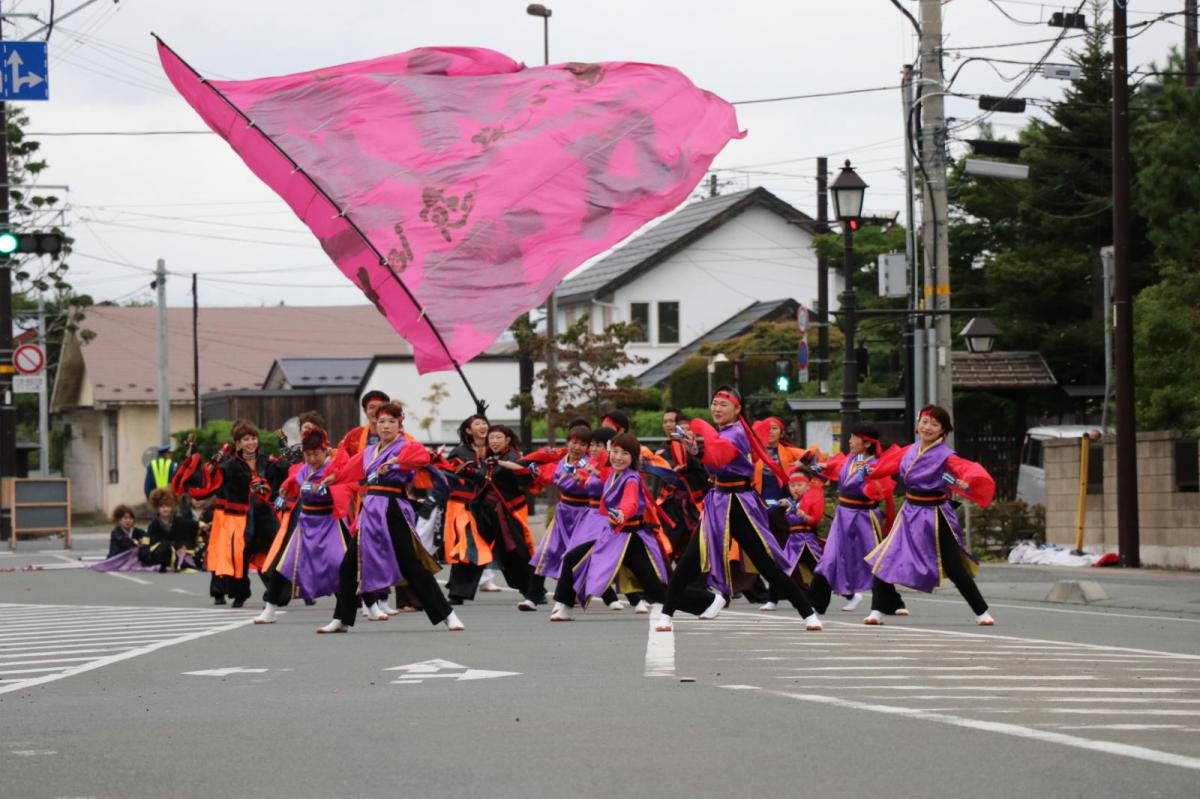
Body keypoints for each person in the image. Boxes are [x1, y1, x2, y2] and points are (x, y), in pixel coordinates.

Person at [656, 386, 822, 632]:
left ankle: (808, 613)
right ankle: (667, 615)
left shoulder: (737, 433)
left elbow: (720, 457)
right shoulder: (721, 433)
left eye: (724, 405)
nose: (717, 408)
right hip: (718, 501)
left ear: (737, 409)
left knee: (766, 563)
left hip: (740, 503)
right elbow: (713, 463)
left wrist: (699, 448)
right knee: (689, 560)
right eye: (714, 403)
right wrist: (697, 449)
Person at [319, 402, 463, 633]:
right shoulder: (369, 452)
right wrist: (332, 477)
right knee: (348, 566)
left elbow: (419, 457)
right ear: (375, 425)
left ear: (399, 425)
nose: (385, 426)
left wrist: (396, 462)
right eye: (381, 422)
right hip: (370, 511)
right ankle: (341, 619)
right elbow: (348, 469)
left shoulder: (405, 446)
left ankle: (448, 614)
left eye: (391, 422)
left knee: (412, 565)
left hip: (393, 508)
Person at [863, 405, 997, 626]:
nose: (928, 427)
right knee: (885, 557)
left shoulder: (945, 455)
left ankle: (981, 611)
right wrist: (871, 471)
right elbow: (887, 466)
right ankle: (876, 610)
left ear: (942, 431)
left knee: (954, 566)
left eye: (935, 424)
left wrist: (964, 481)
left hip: (935, 514)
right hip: (909, 512)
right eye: (925, 422)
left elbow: (960, 471)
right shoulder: (910, 450)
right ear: (918, 425)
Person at [550, 434, 708, 621]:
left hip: (630, 539)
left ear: (633, 457)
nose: (618, 457)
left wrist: (622, 513)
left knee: (657, 591)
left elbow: (631, 503)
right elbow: (597, 465)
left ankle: (708, 601)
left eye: (625, 453)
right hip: (614, 536)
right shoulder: (615, 474)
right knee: (572, 558)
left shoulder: (631, 479)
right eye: (615, 452)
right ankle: (566, 606)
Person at [175, 420, 286, 607]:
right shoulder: (230, 465)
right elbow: (208, 482)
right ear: (238, 443)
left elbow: (283, 480)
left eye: (253, 438)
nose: (251, 442)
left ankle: (277, 593)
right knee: (236, 556)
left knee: (271, 553)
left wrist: (286, 457)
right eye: (246, 439)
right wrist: (198, 460)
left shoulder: (267, 461)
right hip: (238, 519)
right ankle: (238, 594)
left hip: (264, 516)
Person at [255, 429, 353, 624]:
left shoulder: (335, 469)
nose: (312, 459)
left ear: (326, 451)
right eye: (308, 455)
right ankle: (270, 609)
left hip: (329, 524)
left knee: (342, 565)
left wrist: (332, 482)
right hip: (305, 524)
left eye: (316, 454)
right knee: (284, 565)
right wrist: (286, 487)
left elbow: (347, 474)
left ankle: (370, 606)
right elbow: (294, 479)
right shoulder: (304, 470)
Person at [813, 423, 901, 615]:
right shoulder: (854, 458)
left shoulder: (876, 465)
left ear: (867, 443)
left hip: (864, 516)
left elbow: (879, 490)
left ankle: (891, 602)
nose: (850, 441)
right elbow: (838, 466)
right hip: (843, 515)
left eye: (854, 438)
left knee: (874, 559)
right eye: (851, 437)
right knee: (829, 557)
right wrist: (822, 465)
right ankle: (815, 603)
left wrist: (869, 477)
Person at [521, 424, 606, 611]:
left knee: (577, 556)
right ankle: (532, 597)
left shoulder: (590, 464)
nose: (576, 447)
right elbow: (550, 477)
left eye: (582, 444)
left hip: (584, 515)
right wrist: (537, 474)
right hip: (563, 513)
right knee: (545, 551)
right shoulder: (562, 461)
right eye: (573, 442)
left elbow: (589, 484)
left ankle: (606, 597)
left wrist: (577, 478)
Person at [760, 469, 828, 612]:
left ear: (807, 486)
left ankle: (850, 595)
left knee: (821, 571)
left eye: (799, 485)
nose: (796, 488)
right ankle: (772, 600)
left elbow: (813, 520)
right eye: (792, 486)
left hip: (807, 541)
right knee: (780, 569)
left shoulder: (810, 499)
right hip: (793, 541)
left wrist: (801, 514)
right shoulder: (794, 502)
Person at [656, 409, 707, 558]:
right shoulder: (661, 452)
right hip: (671, 506)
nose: (669, 425)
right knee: (669, 548)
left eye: (672, 421)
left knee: (696, 549)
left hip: (694, 505)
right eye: (665, 422)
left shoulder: (698, 448)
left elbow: (704, 475)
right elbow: (658, 483)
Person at [146, 488, 201, 572]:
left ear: (172, 507)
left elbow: (187, 535)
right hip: (162, 558)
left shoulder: (180, 522)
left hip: (180, 556)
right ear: (157, 508)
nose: (165, 509)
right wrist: (173, 546)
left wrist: (183, 547)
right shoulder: (153, 526)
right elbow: (155, 543)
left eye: (168, 506)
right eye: (162, 506)